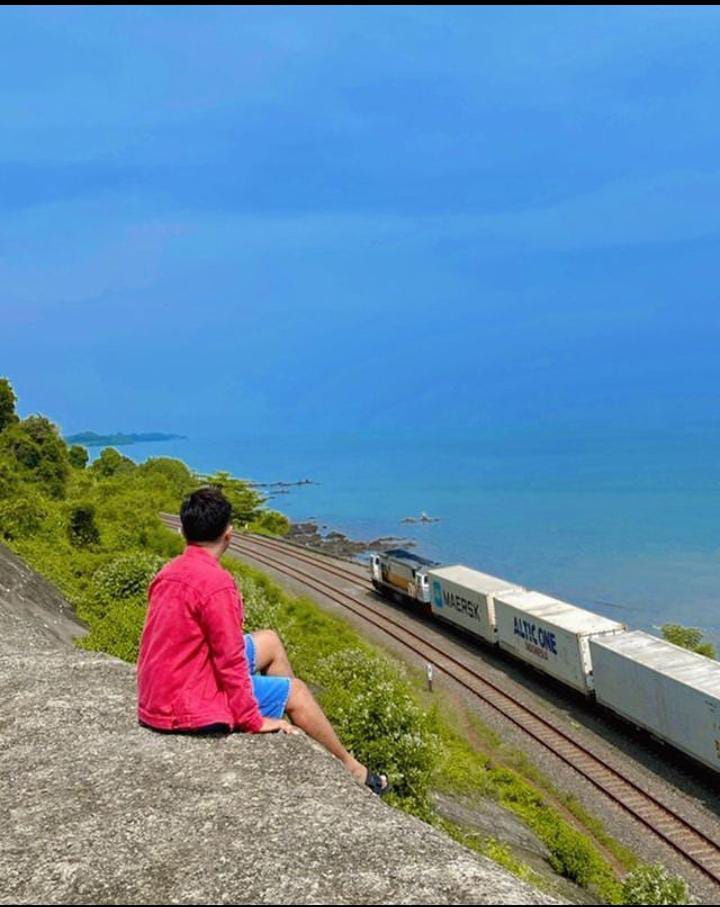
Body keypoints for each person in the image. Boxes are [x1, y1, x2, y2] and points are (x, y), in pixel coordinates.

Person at [137, 486, 388, 796]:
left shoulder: (169, 572)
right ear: (228, 534)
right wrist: (253, 720)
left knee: (268, 640)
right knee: (297, 692)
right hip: (187, 705)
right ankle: (353, 769)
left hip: (158, 694)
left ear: (183, 531)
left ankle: (299, 730)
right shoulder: (217, 586)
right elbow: (230, 663)